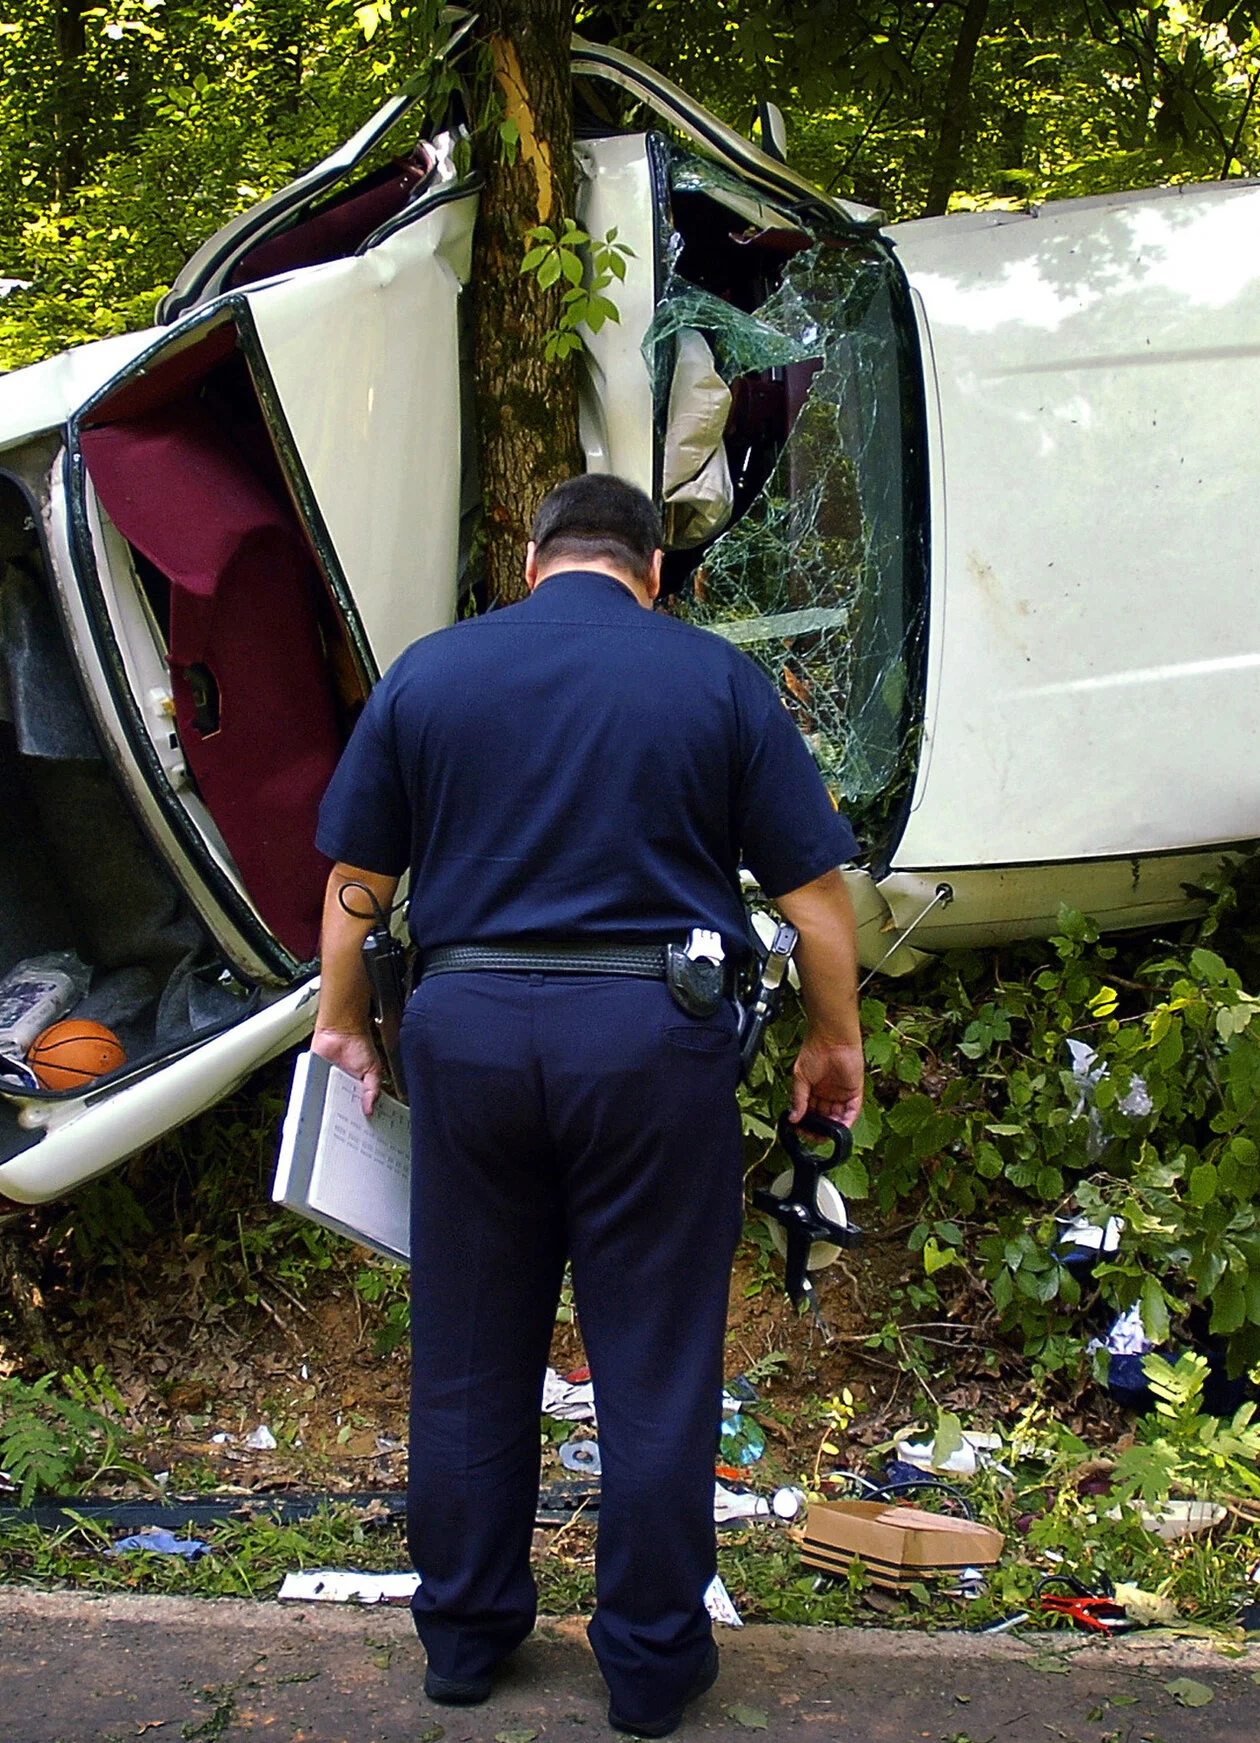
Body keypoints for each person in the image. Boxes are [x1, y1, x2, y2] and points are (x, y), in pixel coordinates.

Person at [308, 473, 866, 1739]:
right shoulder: (715, 680)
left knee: (466, 1350)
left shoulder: (432, 675)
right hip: (650, 1044)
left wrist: (343, 1021)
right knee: (653, 1357)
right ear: (655, 571)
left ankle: (462, 1642)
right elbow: (814, 901)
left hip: (469, 1039)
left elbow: (356, 881)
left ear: (530, 558)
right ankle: (654, 1670)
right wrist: (834, 1043)